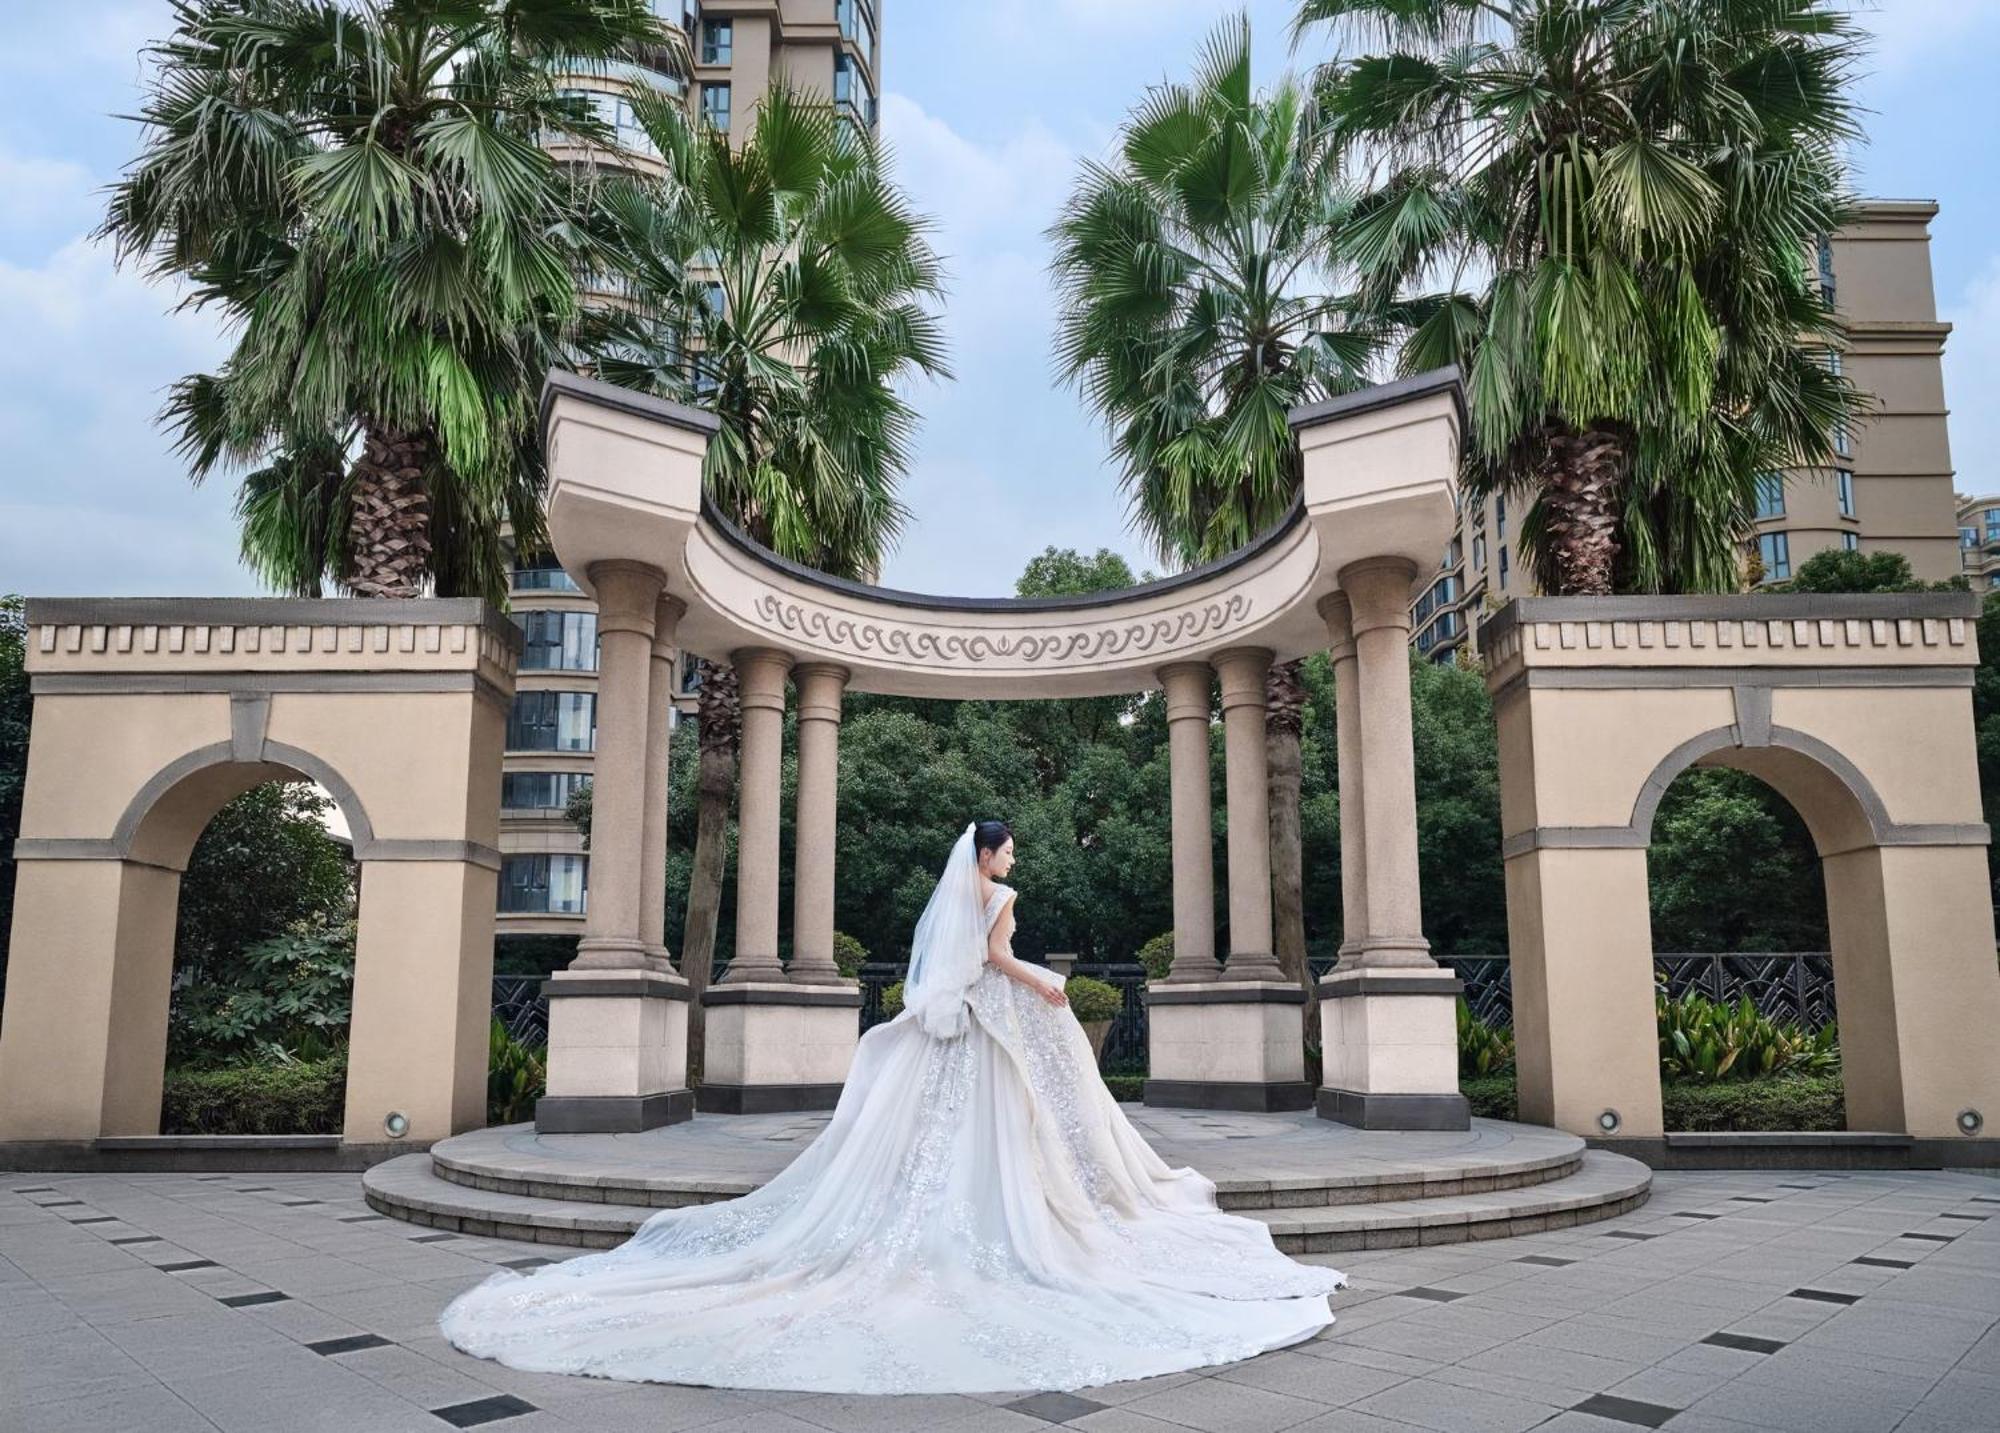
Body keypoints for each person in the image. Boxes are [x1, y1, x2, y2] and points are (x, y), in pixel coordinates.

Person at [439, 820, 1344, 1394]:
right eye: (1009, 848)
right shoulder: (1001, 897)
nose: (1013, 859)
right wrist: (1049, 982)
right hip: (989, 1015)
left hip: (956, 1024)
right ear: (988, 856)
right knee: (1004, 1125)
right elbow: (994, 961)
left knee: (947, 1134)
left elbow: (955, 963)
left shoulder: (961, 894)